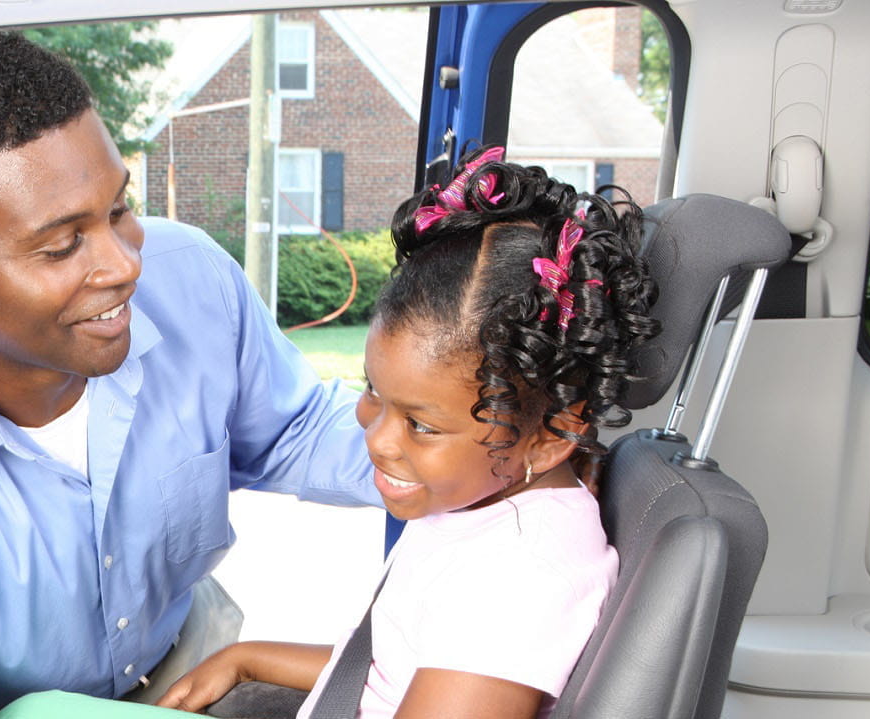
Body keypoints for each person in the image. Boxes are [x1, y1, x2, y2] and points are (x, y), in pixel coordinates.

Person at [0, 27, 380, 718]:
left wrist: (482, 443)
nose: (124, 264)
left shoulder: (192, 280)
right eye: (62, 245)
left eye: (118, 209)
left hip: (189, 665)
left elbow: (297, 429)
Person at [135, 147, 657, 718]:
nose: (378, 440)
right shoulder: (484, 499)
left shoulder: (521, 577)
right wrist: (246, 657)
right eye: (374, 393)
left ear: (552, 434)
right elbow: (392, 667)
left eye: (422, 425)